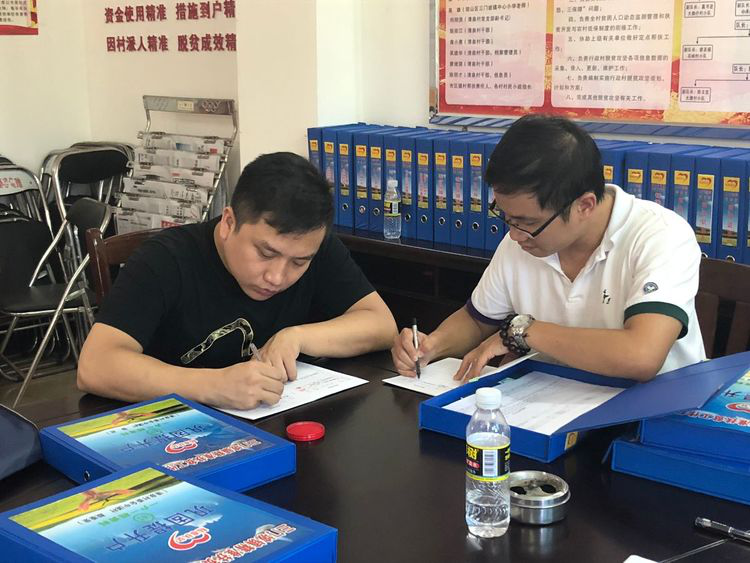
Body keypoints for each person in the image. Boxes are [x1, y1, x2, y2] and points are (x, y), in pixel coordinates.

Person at [392, 115, 705, 382]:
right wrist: (432, 345)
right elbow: (477, 320)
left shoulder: (660, 236)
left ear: (585, 205)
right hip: (550, 403)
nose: (514, 235)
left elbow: (641, 355)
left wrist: (525, 331)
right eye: (506, 216)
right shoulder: (522, 240)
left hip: (650, 413)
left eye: (527, 222)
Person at [78, 152, 397, 409]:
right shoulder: (165, 259)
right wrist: (213, 386)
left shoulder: (313, 246)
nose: (277, 277)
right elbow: (95, 366)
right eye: (265, 253)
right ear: (229, 222)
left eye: (298, 263)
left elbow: (382, 325)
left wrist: (297, 337)